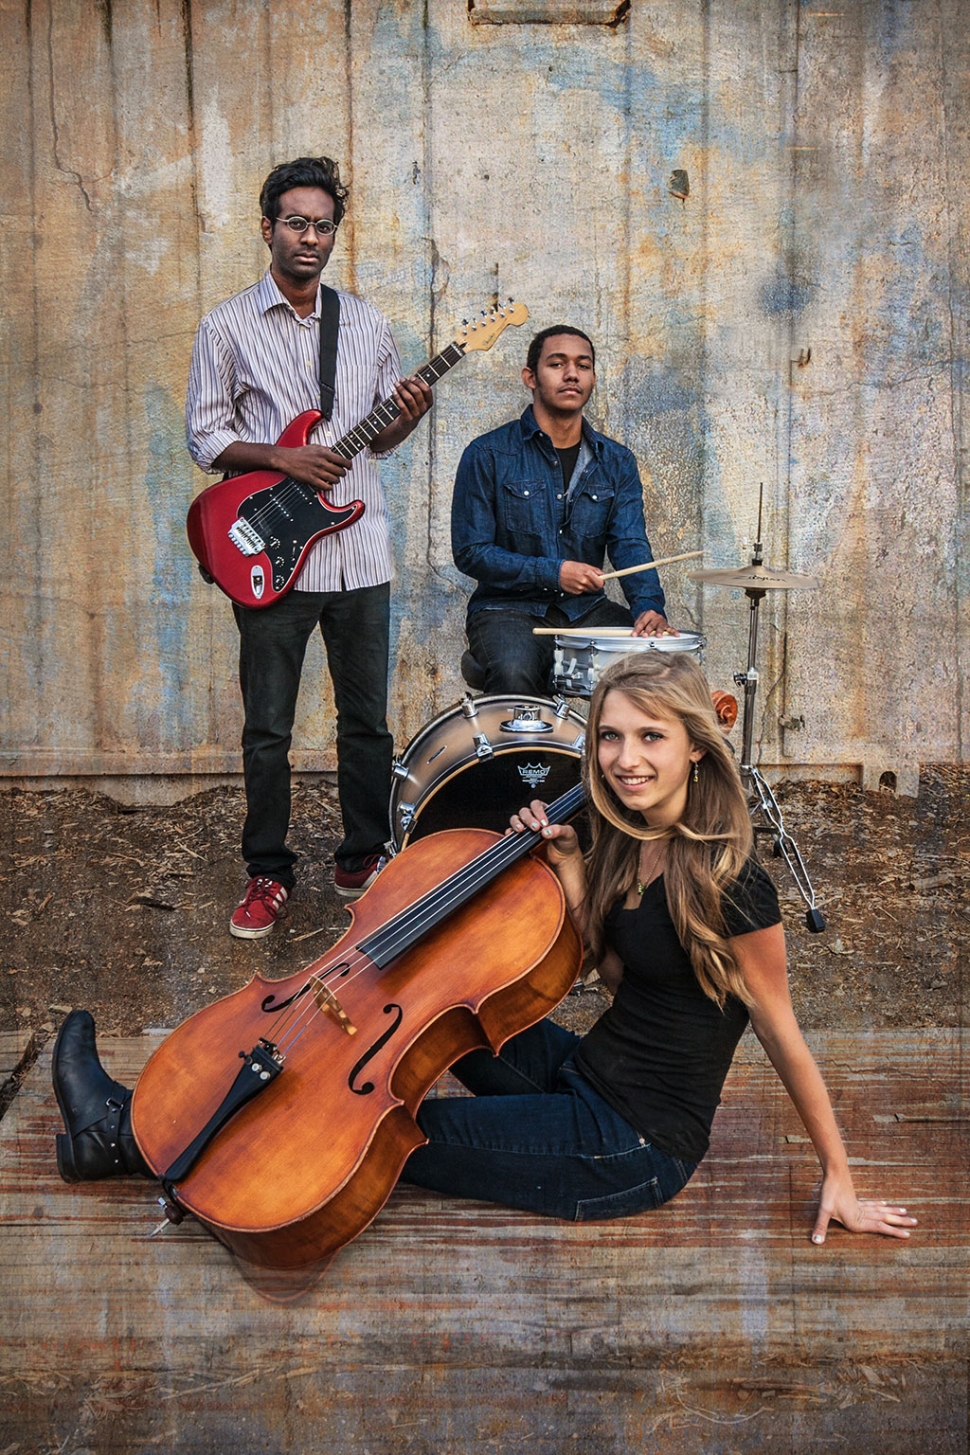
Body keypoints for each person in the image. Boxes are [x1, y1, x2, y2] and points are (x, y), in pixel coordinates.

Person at [51, 654, 916, 1247]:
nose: (624, 759)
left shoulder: (737, 884)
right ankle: (157, 1118)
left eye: (651, 737)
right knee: (441, 1003)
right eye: (610, 737)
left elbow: (782, 1034)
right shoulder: (623, 839)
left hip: (630, 1143)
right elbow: (619, 979)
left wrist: (839, 1175)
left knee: (394, 1132)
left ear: (696, 745)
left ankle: (123, 1139)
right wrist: (573, 874)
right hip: (584, 1071)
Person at [185, 155, 433, 937]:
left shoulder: (364, 323)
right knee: (269, 726)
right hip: (269, 559)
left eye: (324, 225)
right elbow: (204, 434)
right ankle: (268, 870)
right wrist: (282, 457)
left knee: (367, 723)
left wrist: (411, 412)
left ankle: (362, 854)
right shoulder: (226, 325)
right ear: (268, 229)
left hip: (359, 553)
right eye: (296, 222)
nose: (311, 237)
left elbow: (382, 442)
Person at [451, 325, 674, 698]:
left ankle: (618, 756)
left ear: (593, 378)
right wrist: (554, 573)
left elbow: (630, 542)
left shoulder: (616, 462)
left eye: (583, 365)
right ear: (530, 378)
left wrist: (648, 607)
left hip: (586, 611)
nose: (572, 373)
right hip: (508, 610)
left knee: (661, 665)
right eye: (557, 363)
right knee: (513, 672)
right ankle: (522, 760)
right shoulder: (487, 453)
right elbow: (471, 552)